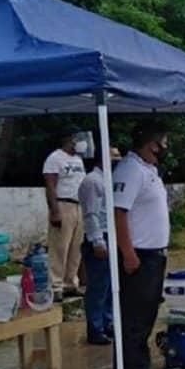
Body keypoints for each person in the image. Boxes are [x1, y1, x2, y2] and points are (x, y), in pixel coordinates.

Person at [111, 122, 173, 369]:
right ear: (152, 143)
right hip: (139, 259)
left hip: (154, 257)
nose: (165, 147)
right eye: (163, 141)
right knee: (132, 325)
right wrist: (128, 254)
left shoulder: (148, 169)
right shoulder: (130, 170)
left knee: (145, 322)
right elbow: (118, 213)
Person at [79, 144, 122, 346]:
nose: (117, 159)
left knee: (111, 284)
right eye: (113, 156)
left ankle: (107, 322)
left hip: (112, 235)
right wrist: (96, 240)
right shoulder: (92, 181)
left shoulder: (109, 179)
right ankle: (95, 328)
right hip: (99, 237)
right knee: (98, 286)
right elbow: (91, 214)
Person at [43, 126, 88, 299]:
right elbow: (51, 185)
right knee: (59, 247)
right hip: (63, 205)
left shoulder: (78, 159)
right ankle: (56, 285)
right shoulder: (55, 158)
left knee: (76, 247)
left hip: (79, 205)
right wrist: (54, 210)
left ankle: (70, 282)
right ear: (70, 139)